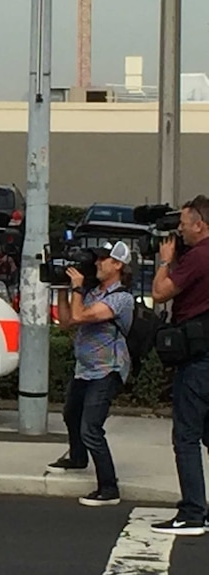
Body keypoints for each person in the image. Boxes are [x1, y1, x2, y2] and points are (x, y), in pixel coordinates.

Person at [46, 241, 134, 507]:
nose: (97, 263)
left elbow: (81, 316)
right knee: (71, 414)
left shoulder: (121, 298)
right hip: (85, 370)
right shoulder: (94, 292)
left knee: (91, 428)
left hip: (108, 370)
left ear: (118, 265)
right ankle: (77, 457)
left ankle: (109, 488)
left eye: (104, 259)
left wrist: (76, 288)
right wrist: (61, 287)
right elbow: (66, 322)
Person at [149, 195, 209, 536]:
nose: (180, 230)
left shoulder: (198, 256)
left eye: (184, 224)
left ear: (199, 224)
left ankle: (191, 513)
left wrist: (165, 262)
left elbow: (160, 293)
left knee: (186, 436)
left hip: (198, 360)